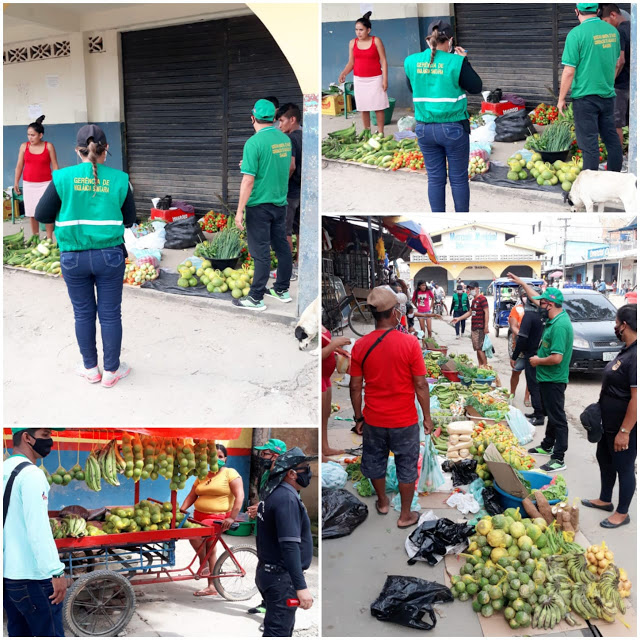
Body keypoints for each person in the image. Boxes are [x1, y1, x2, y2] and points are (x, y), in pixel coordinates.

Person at [35, 124, 135, 387]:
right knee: (111, 314)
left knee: (83, 314)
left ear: (77, 150)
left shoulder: (62, 177)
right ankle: (112, 372)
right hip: (110, 257)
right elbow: (130, 220)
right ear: (106, 149)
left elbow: (43, 215)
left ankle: (91, 369)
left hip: (73, 258)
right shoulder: (120, 179)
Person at [349, 286, 433, 529]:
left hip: (374, 419)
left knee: (375, 461)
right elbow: (421, 385)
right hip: (404, 421)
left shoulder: (361, 346)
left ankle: (383, 502)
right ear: (396, 313)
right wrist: (427, 417)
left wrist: (358, 418)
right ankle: (405, 515)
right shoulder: (410, 343)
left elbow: (355, 387)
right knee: (406, 466)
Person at [404, 21, 482, 212]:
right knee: (458, 179)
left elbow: (411, 87)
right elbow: (476, 87)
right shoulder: (456, 62)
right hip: (453, 129)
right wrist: (465, 60)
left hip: (424, 129)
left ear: (428, 39)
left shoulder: (411, 61)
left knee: (435, 179)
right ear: (450, 41)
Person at [3, 428, 67, 637]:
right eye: (46, 435)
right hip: (33, 578)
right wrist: (56, 572)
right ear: (27, 437)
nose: (50, 441)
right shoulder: (32, 474)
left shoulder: (4, 469)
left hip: (8, 575)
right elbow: (38, 529)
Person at [235, 99, 293, 311]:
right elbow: (283, 167)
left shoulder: (253, 143)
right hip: (280, 203)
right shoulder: (284, 140)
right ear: (275, 118)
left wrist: (239, 211)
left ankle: (256, 298)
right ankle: (281, 289)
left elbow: (248, 180)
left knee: (260, 253)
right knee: (282, 248)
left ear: (253, 118)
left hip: (259, 206)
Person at [582, 304, 636, 528]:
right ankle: (605, 499)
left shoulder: (637, 355)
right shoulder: (626, 349)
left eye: (616, 323)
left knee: (623, 466)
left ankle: (622, 513)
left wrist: (625, 432)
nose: (615, 327)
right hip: (608, 423)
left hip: (624, 426)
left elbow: (636, 398)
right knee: (605, 459)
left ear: (624, 325)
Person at [513, 280, 574, 473]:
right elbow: (534, 297)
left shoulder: (560, 326)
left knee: (558, 418)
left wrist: (537, 361)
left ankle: (558, 457)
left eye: (543, 303)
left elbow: (556, 358)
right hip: (547, 378)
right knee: (551, 414)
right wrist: (521, 283)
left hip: (554, 378)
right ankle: (547, 445)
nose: (539, 306)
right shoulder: (554, 317)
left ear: (551, 304)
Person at [256, 447, 316, 636]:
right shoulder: (286, 499)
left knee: (279, 628)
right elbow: (289, 546)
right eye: (304, 467)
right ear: (291, 473)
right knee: (278, 632)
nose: (309, 472)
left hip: (268, 573)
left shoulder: (273, 494)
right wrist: (301, 587)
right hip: (281, 578)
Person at [558, 3, 623, 172]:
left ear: (577, 11)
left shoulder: (576, 34)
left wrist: (561, 98)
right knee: (612, 140)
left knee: (589, 144)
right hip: (608, 96)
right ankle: (614, 180)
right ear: (598, 11)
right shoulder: (613, 32)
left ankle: (591, 187)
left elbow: (569, 71)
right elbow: (616, 64)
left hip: (585, 98)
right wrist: (606, 82)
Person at [180, 444, 244, 597]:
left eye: (219, 456)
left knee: (197, 536)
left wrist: (231, 517)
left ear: (225, 459)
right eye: (211, 456)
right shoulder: (202, 475)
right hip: (199, 516)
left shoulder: (230, 473)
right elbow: (192, 495)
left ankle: (207, 574)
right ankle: (209, 575)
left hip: (218, 518)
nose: (215, 459)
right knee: (206, 547)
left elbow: (239, 496)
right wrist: (181, 510)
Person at [245, 438, 287, 617]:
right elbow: (265, 500)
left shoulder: (284, 476)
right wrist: (258, 507)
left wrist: (261, 507)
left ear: (275, 456)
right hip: (262, 524)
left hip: (276, 528)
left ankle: (275, 612)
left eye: (265, 453)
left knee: (275, 569)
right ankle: (265, 603)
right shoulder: (265, 475)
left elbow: (281, 504)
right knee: (262, 566)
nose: (262, 456)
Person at [338, 11, 389, 135]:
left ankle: (381, 132)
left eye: (361, 29)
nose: (358, 32)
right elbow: (351, 62)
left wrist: (385, 79)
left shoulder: (376, 41)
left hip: (376, 78)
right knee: (363, 107)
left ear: (368, 30)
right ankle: (367, 132)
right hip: (359, 79)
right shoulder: (352, 43)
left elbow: (383, 60)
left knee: (378, 106)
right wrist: (344, 73)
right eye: (356, 30)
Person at [13, 115, 59, 241]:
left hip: (46, 184)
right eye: (28, 134)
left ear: (41, 135)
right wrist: (16, 181)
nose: (30, 137)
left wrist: (57, 183)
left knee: (47, 211)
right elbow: (19, 166)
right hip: (28, 184)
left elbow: (55, 166)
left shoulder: (49, 146)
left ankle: (49, 238)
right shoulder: (24, 146)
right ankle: (35, 238)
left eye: (33, 135)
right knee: (31, 213)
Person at [510, 284, 546, 427]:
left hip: (531, 354)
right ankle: (539, 411)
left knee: (533, 384)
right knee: (537, 383)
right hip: (540, 352)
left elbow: (522, 337)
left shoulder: (529, 315)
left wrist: (514, 356)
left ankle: (539, 415)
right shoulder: (543, 314)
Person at [277, 103, 302, 279]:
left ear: (292, 119)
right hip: (303, 191)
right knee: (300, 230)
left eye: (282, 121)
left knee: (285, 231)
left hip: (291, 190)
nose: (279, 125)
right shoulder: (307, 135)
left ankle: (287, 271)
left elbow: (291, 166)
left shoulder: (290, 139)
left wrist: (281, 185)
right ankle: (299, 265)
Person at [601, 4, 630, 147]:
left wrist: (610, 82)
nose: (607, 26)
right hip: (631, 84)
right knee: (631, 121)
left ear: (613, 15)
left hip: (620, 85)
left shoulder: (619, 32)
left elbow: (620, 61)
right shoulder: (634, 28)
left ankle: (619, 160)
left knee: (616, 123)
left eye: (606, 22)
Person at [322, 327, 351, 460]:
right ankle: (321, 453)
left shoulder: (318, 320)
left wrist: (335, 348)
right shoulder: (307, 325)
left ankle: (325, 447)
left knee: (325, 413)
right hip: (319, 377)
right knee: (319, 416)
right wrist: (334, 344)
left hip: (326, 377)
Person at [452, 281, 489, 365]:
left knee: (480, 348)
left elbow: (486, 312)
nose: (471, 290)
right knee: (477, 348)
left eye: (472, 288)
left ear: (477, 289)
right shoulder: (474, 300)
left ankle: (485, 366)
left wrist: (486, 326)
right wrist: (458, 319)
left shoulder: (482, 298)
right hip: (474, 327)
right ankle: (481, 366)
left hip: (480, 327)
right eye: (470, 289)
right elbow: (470, 312)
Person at [508, 298, 531, 407]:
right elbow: (513, 326)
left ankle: (527, 396)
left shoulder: (537, 310)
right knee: (516, 370)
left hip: (532, 346)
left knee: (530, 373)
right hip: (519, 344)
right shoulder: (517, 309)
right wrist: (523, 335)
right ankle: (512, 392)